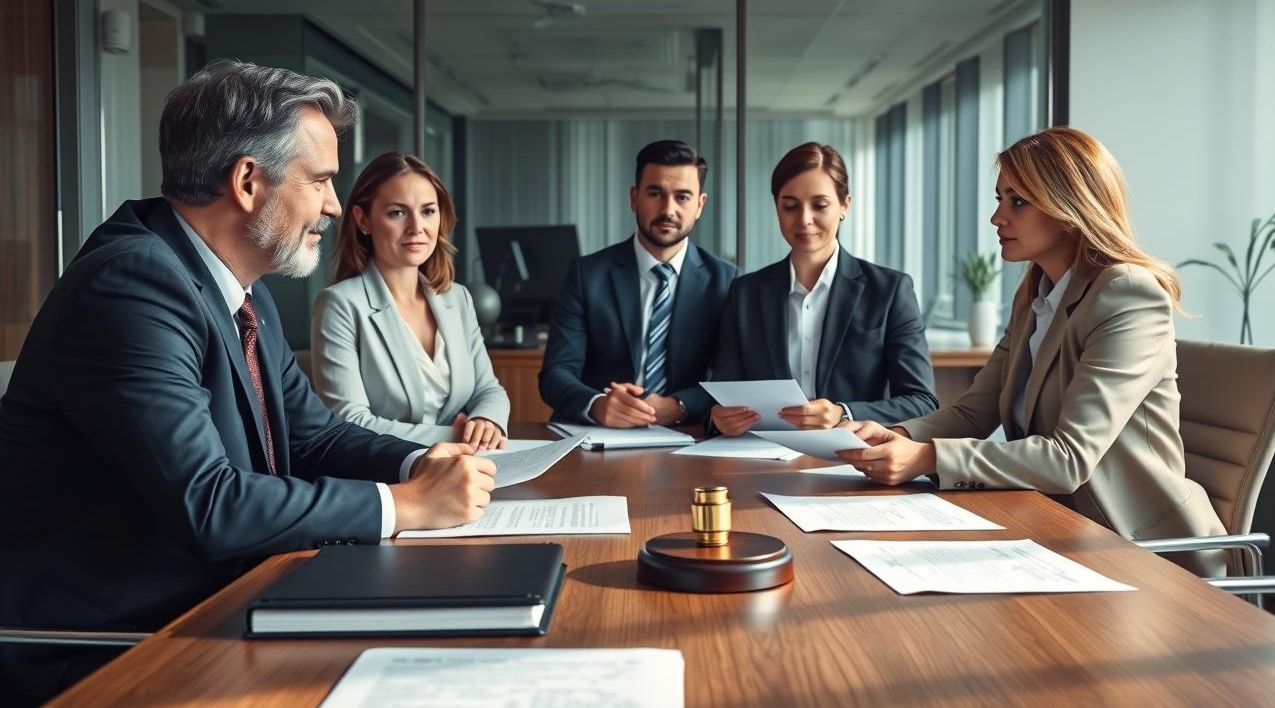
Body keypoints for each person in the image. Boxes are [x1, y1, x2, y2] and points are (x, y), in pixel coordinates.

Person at [0, 61, 496, 702]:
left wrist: (419, 463)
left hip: (224, 599)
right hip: (113, 641)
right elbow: (209, 502)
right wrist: (407, 505)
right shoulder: (131, 285)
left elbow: (314, 438)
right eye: (320, 180)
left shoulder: (241, 290)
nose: (334, 205)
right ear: (247, 182)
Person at [836, 127, 1227, 575]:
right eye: (999, 199)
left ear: (1069, 208)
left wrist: (927, 458)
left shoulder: (1128, 295)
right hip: (1054, 525)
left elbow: (1068, 460)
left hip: (1138, 550)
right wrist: (898, 436)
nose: (996, 218)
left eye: (1017, 201)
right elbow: (973, 413)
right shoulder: (1036, 296)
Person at [711, 142, 938, 436]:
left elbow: (922, 402)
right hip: (762, 453)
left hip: (850, 454)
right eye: (790, 206)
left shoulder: (889, 291)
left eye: (819, 205)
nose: (804, 219)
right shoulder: (745, 294)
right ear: (777, 208)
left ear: (844, 205)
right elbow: (722, 395)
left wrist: (844, 413)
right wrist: (718, 418)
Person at [311, 152, 510, 449]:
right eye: (397, 213)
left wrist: (486, 421)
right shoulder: (339, 305)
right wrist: (455, 437)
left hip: (465, 463)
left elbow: (488, 389)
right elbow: (349, 421)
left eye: (428, 211)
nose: (417, 227)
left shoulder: (457, 298)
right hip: (388, 470)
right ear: (363, 220)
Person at [539, 140, 737, 427]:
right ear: (634, 198)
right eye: (655, 194)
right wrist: (596, 405)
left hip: (689, 435)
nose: (668, 209)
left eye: (682, 197)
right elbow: (555, 373)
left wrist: (679, 406)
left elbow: (731, 378)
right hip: (600, 435)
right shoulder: (587, 274)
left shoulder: (727, 281)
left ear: (699, 205)